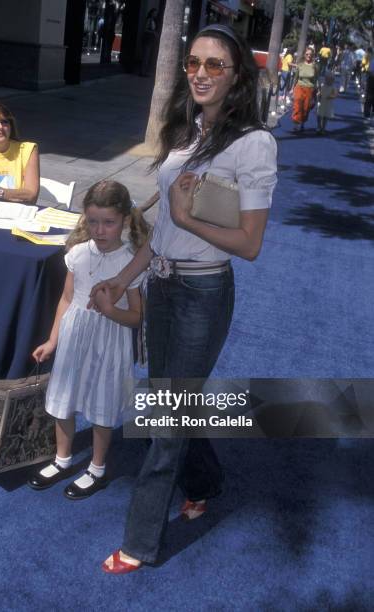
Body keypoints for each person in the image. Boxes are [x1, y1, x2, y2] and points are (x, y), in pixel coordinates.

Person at [91, 24, 277, 573]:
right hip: (163, 284)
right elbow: (165, 230)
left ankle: (140, 543)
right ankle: (205, 482)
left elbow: (250, 244)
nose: (199, 72)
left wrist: (189, 214)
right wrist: (125, 278)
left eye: (214, 64)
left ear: (238, 75)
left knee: (164, 419)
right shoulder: (189, 132)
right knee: (170, 399)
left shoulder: (254, 143)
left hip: (202, 290)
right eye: (193, 62)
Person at [27, 180, 150, 499]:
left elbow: (137, 316)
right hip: (74, 337)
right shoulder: (77, 252)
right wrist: (52, 340)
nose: (99, 230)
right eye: (93, 221)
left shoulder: (132, 260)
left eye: (108, 222)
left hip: (109, 341)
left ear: (124, 219)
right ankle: (62, 459)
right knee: (63, 399)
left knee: (102, 403)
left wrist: (109, 311)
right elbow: (67, 300)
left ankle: (96, 467)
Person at [292, 47, 319, 132]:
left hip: (309, 89)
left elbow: (316, 79)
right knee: (297, 105)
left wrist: (317, 90)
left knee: (306, 108)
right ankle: (296, 124)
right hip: (299, 87)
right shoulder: (300, 65)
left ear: (313, 56)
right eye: (307, 54)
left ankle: (302, 123)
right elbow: (296, 77)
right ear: (304, 54)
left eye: (310, 54)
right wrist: (292, 88)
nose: (308, 56)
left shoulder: (315, 66)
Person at [140, 8, 158, 77]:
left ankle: (144, 72)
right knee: (146, 56)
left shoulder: (153, 20)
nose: (155, 14)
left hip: (150, 40)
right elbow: (145, 29)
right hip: (147, 40)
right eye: (154, 13)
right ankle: (142, 72)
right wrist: (153, 33)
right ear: (151, 13)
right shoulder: (149, 20)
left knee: (147, 56)